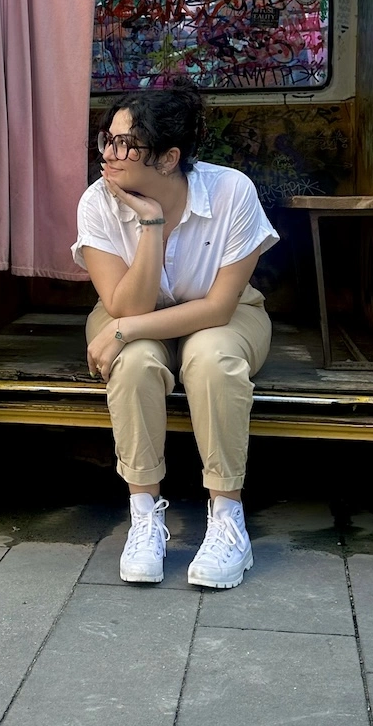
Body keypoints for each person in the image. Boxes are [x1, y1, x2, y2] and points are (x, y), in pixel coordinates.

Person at [72, 79, 278, 589]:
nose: (110, 154)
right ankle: (144, 515)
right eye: (107, 139)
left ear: (168, 158)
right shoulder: (98, 201)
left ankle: (228, 520)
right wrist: (151, 224)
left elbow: (218, 306)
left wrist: (122, 331)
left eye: (126, 144)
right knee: (137, 361)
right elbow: (125, 304)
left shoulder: (232, 192)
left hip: (223, 315)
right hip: (129, 309)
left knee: (210, 358)